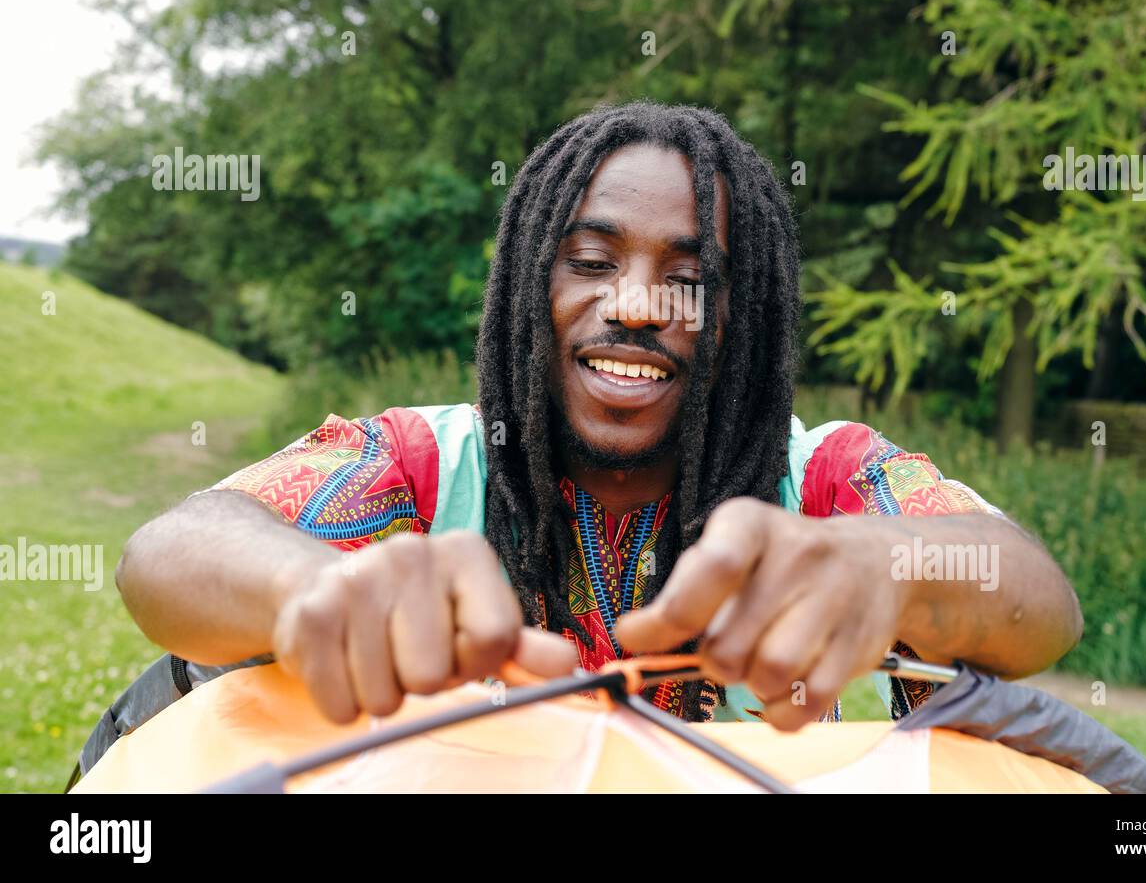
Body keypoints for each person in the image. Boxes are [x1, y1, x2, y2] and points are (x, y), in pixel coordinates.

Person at [116, 101, 1082, 730]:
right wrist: (307, 588)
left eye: (691, 276)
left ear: (741, 320)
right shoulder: (425, 463)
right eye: (591, 261)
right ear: (530, 287)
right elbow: (171, 550)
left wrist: (886, 563)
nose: (636, 304)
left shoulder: (821, 480)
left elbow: (1039, 600)